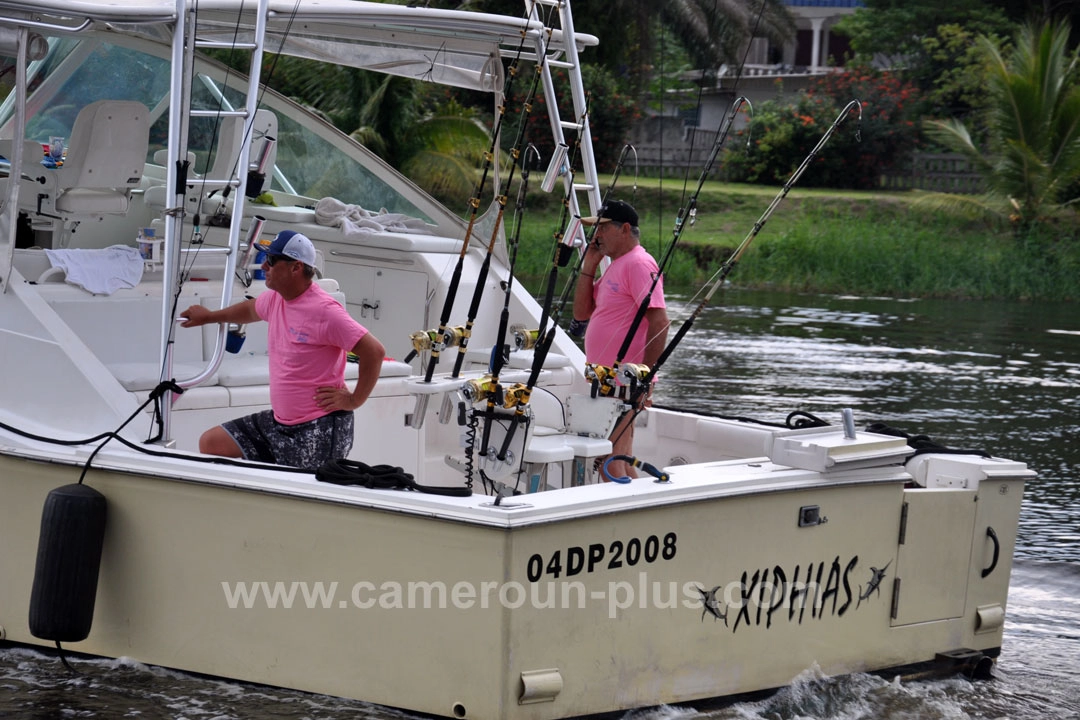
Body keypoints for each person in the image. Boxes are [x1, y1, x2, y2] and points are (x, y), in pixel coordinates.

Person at [180, 230, 385, 469]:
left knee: (300, 496)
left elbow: (374, 351)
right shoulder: (276, 299)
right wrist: (209, 317)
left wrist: (354, 400)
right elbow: (249, 310)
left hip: (318, 427)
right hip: (279, 424)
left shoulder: (325, 311)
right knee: (212, 443)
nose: (264, 265)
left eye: (272, 260)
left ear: (296, 268)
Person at [572, 200, 669, 479]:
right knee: (620, 460)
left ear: (624, 229)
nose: (596, 235)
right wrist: (589, 265)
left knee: (608, 460)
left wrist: (644, 378)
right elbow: (582, 312)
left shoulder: (638, 263)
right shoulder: (617, 265)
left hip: (625, 381)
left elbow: (660, 322)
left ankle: (624, 517)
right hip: (606, 378)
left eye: (602, 228)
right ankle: (640, 511)